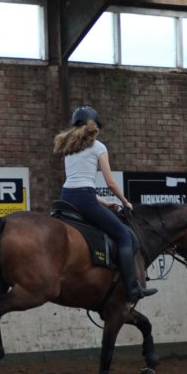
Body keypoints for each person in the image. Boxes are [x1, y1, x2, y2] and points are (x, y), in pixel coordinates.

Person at [53, 104, 157, 303]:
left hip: (66, 198)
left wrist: (104, 202)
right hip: (85, 199)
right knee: (124, 236)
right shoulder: (98, 147)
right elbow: (110, 183)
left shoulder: (68, 147)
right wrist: (124, 201)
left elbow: (76, 182)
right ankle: (132, 288)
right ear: (94, 126)